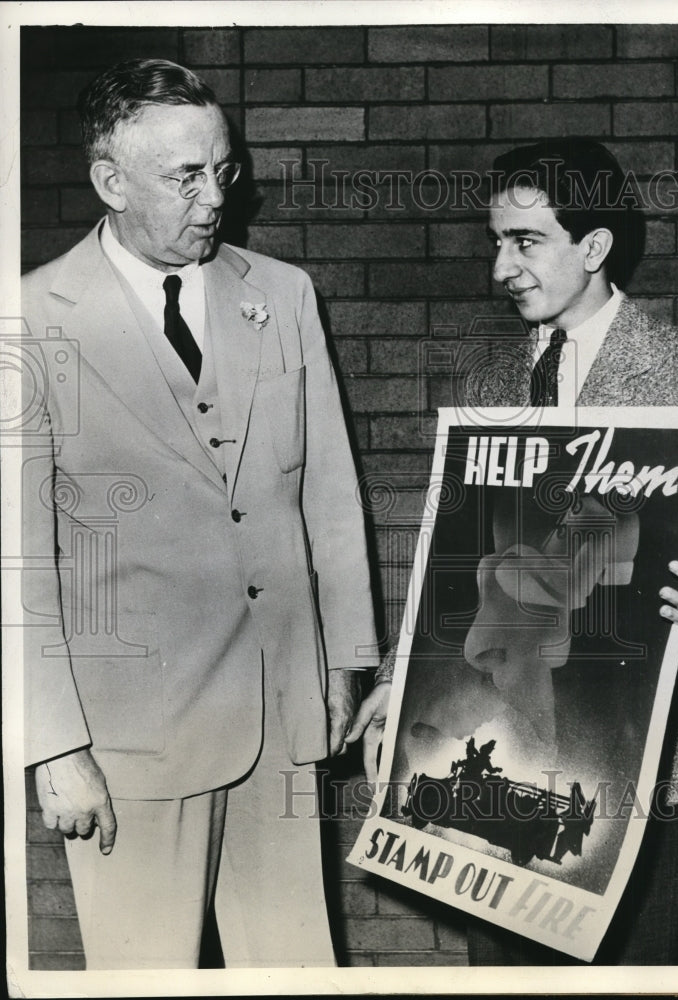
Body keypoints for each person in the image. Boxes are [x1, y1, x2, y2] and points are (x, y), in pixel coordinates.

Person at [352, 138, 678, 964]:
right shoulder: (495, 380)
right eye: (495, 242)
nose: (501, 267)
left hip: (628, 755)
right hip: (500, 741)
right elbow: (450, 554)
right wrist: (398, 682)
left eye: (525, 241)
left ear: (594, 246)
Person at [21, 58, 379, 969]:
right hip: (129, 741)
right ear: (111, 181)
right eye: (185, 177)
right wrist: (54, 746)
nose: (215, 198)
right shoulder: (28, 319)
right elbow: (15, 559)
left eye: (222, 169)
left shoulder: (285, 295)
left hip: (283, 718)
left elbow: (329, 496)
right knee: (143, 983)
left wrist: (346, 663)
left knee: (296, 979)